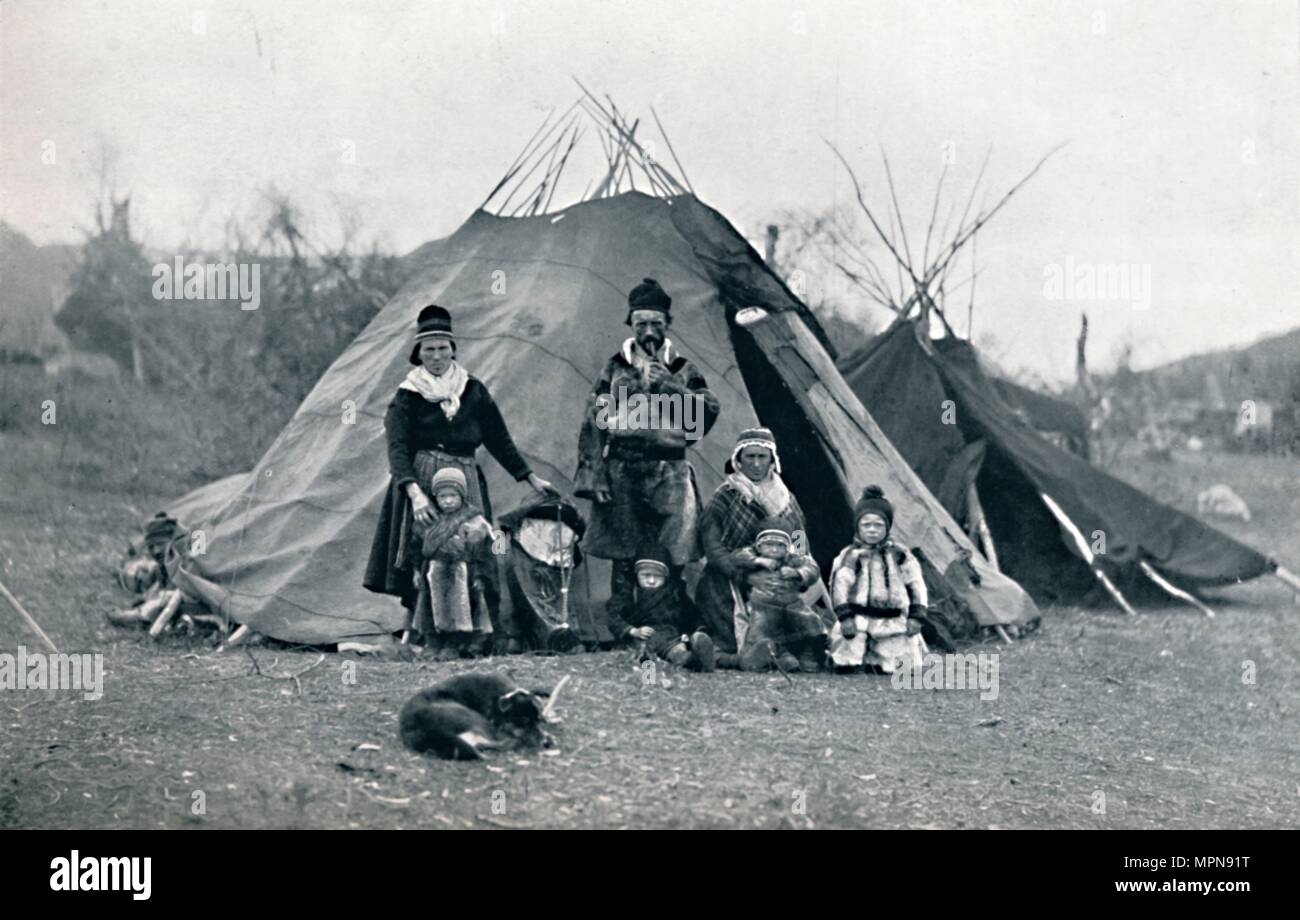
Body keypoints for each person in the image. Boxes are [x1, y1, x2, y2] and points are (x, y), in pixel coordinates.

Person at [364, 304, 555, 651]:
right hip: (422, 479)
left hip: (465, 478)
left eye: (442, 348)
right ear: (418, 353)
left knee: (474, 549)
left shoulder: (472, 390)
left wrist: (529, 479)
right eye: (429, 350)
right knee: (430, 552)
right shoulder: (407, 396)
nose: (436, 356)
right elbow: (398, 448)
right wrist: (414, 494)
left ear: (453, 349)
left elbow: (499, 439)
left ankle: (476, 634)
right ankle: (426, 635)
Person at [573, 278, 720, 643]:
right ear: (631, 325)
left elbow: (707, 412)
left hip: (669, 469)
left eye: (656, 323)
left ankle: (670, 626)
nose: (649, 332)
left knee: (673, 549)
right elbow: (594, 421)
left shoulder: (683, 368)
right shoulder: (615, 368)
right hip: (622, 468)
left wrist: (670, 385)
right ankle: (625, 627)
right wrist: (596, 476)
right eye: (641, 324)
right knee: (625, 550)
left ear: (668, 323)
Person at [694, 427, 807, 668]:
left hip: (775, 575)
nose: (756, 464)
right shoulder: (724, 496)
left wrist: (793, 570)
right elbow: (712, 545)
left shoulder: (788, 501)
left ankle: (777, 654)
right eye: (750, 457)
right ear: (738, 460)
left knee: (786, 610)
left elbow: (799, 542)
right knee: (730, 627)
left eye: (762, 457)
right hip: (729, 577)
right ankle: (736, 657)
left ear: (772, 460)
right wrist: (744, 575)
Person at [828, 485, 929, 674]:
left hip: (892, 619)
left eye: (878, 525)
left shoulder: (900, 555)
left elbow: (916, 585)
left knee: (899, 663)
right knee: (848, 655)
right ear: (858, 527)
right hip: (858, 618)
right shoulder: (851, 556)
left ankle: (881, 661)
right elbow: (839, 586)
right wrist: (844, 617)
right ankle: (854, 661)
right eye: (866, 525)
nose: (872, 530)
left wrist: (916, 616)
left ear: (888, 527)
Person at [414, 467, 500, 659]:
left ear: (462, 495)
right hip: (433, 572)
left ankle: (454, 644)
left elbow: (484, 551)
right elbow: (417, 548)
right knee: (430, 608)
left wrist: (479, 576)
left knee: (460, 608)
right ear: (435, 497)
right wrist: (416, 571)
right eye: (442, 496)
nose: (448, 501)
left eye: (453, 495)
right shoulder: (428, 520)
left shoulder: (475, 520)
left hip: (462, 572)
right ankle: (434, 644)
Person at [731, 521, 827, 672]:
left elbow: (812, 568)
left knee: (810, 621)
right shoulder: (752, 555)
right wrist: (758, 561)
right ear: (759, 546)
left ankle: (808, 655)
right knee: (760, 630)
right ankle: (760, 657)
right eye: (769, 545)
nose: (774, 549)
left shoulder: (794, 556)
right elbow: (736, 558)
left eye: (780, 545)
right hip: (764, 608)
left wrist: (797, 573)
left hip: (792, 605)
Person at [610, 543, 716, 671]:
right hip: (641, 638)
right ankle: (689, 661)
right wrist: (632, 631)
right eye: (646, 575)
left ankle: (695, 654)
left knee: (676, 648)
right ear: (637, 574)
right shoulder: (630, 594)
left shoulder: (674, 592)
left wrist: (690, 632)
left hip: (671, 636)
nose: (652, 580)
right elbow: (613, 616)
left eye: (658, 576)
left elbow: (690, 614)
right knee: (648, 652)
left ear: (666, 577)